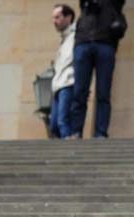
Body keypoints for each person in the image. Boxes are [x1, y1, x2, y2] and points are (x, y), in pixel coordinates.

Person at [69, 0, 126, 139]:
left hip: (105, 42)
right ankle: (76, 131)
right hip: (84, 41)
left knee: (103, 92)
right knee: (79, 92)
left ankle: (101, 132)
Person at [49, 4, 77, 139]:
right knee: (54, 125)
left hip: (68, 83)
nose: (54, 21)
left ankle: (69, 146)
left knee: (63, 121)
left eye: (57, 17)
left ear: (69, 17)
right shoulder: (63, 39)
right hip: (58, 85)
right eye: (53, 18)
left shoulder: (76, 36)